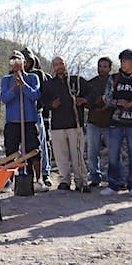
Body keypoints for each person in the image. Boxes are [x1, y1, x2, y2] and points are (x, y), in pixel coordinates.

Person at [101, 48, 132, 199]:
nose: (122, 64)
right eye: (121, 61)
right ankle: (113, 184)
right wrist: (117, 102)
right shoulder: (114, 78)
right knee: (113, 155)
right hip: (116, 121)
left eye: (125, 61)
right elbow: (106, 98)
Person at [0, 51, 48, 192]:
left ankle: (38, 180)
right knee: (11, 151)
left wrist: (23, 85)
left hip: (29, 120)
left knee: (34, 150)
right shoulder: (6, 80)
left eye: (18, 61)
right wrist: (14, 88)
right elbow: (4, 98)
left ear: (24, 63)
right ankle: (9, 180)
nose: (15, 64)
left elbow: (35, 95)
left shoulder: (33, 78)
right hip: (13, 121)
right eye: (12, 61)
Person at [41, 56, 88, 191]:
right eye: (56, 64)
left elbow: (91, 94)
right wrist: (51, 105)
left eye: (61, 63)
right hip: (57, 125)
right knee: (61, 155)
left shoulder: (77, 81)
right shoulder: (49, 84)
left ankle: (81, 181)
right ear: (53, 67)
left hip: (75, 124)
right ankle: (64, 180)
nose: (59, 66)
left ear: (66, 65)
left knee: (77, 154)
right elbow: (43, 102)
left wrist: (83, 100)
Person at [22, 49, 53, 187]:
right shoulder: (14, 75)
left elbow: (44, 96)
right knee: (26, 145)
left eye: (27, 60)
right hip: (21, 116)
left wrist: (46, 116)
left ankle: (45, 173)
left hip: (38, 113)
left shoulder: (39, 75)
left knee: (42, 144)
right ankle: (28, 172)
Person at [84, 57, 114, 188]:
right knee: (92, 151)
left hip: (110, 121)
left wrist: (107, 105)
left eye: (105, 66)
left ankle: (114, 177)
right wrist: (96, 102)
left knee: (113, 151)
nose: (102, 69)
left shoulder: (114, 82)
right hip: (93, 120)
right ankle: (95, 176)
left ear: (110, 68)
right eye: (100, 66)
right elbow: (86, 101)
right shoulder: (90, 83)